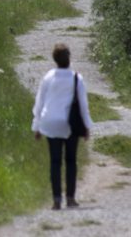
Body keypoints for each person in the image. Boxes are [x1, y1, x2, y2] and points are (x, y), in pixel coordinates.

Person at [33, 43, 93, 210]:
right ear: (69, 58)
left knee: (55, 161)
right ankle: (71, 198)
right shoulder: (76, 78)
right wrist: (87, 126)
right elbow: (83, 105)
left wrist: (36, 126)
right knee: (71, 160)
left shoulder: (48, 77)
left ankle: (56, 199)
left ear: (55, 60)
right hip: (69, 123)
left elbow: (40, 102)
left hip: (50, 122)